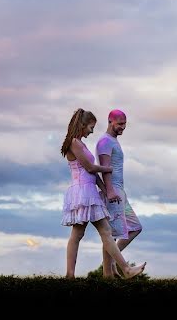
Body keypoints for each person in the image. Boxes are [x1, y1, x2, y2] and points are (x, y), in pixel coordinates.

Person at [61, 108, 145, 279]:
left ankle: (75, 275)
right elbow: (90, 168)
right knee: (86, 234)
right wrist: (107, 169)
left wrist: (106, 190)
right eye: (91, 127)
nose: (92, 131)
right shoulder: (74, 143)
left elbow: (92, 173)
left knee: (90, 233)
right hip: (82, 192)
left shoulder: (80, 143)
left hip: (90, 190)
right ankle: (124, 269)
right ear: (83, 124)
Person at [97, 109, 145, 278]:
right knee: (110, 234)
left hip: (119, 191)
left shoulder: (113, 141)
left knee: (135, 227)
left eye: (125, 124)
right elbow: (105, 169)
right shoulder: (104, 142)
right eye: (120, 124)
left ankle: (108, 267)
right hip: (113, 192)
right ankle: (109, 272)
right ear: (110, 121)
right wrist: (110, 191)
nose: (123, 127)